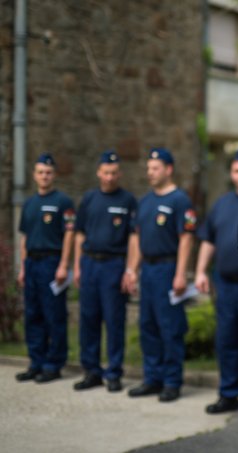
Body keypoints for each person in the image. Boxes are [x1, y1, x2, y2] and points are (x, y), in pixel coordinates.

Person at [123, 148, 196, 402]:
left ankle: (172, 382)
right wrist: (132, 270)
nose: (150, 173)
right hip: (149, 270)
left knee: (170, 327)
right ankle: (152, 379)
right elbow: (138, 239)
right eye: (148, 168)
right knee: (148, 326)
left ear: (168, 169)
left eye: (155, 168)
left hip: (168, 268)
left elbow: (186, 238)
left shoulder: (180, 200)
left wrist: (180, 274)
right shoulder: (144, 202)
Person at [195, 149, 238, 414]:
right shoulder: (221, 204)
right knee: (227, 341)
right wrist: (200, 271)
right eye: (237, 171)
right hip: (225, 284)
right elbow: (208, 240)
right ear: (231, 174)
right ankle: (230, 394)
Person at [72, 150, 137, 392]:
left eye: (113, 173)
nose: (109, 177)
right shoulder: (89, 199)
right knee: (88, 319)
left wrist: (129, 269)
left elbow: (133, 238)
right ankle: (91, 371)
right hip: (89, 264)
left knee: (114, 321)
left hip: (114, 266)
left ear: (119, 174)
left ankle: (114, 373)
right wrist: (77, 265)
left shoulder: (127, 201)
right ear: (99, 172)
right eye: (105, 172)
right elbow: (79, 233)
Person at [15, 153, 75, 383]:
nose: (44, 176)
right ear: (34, 175)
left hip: (52, 263)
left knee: (54, 315)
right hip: (32, 263)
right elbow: (24, 238)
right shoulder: (29, 204)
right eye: (40, 172)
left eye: (48, 172)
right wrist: (22, 268)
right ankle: (36, 362)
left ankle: (53, 364)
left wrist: (63, 265)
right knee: (33, 315)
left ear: (55, 175)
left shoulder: (63, 202)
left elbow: (69, 233)